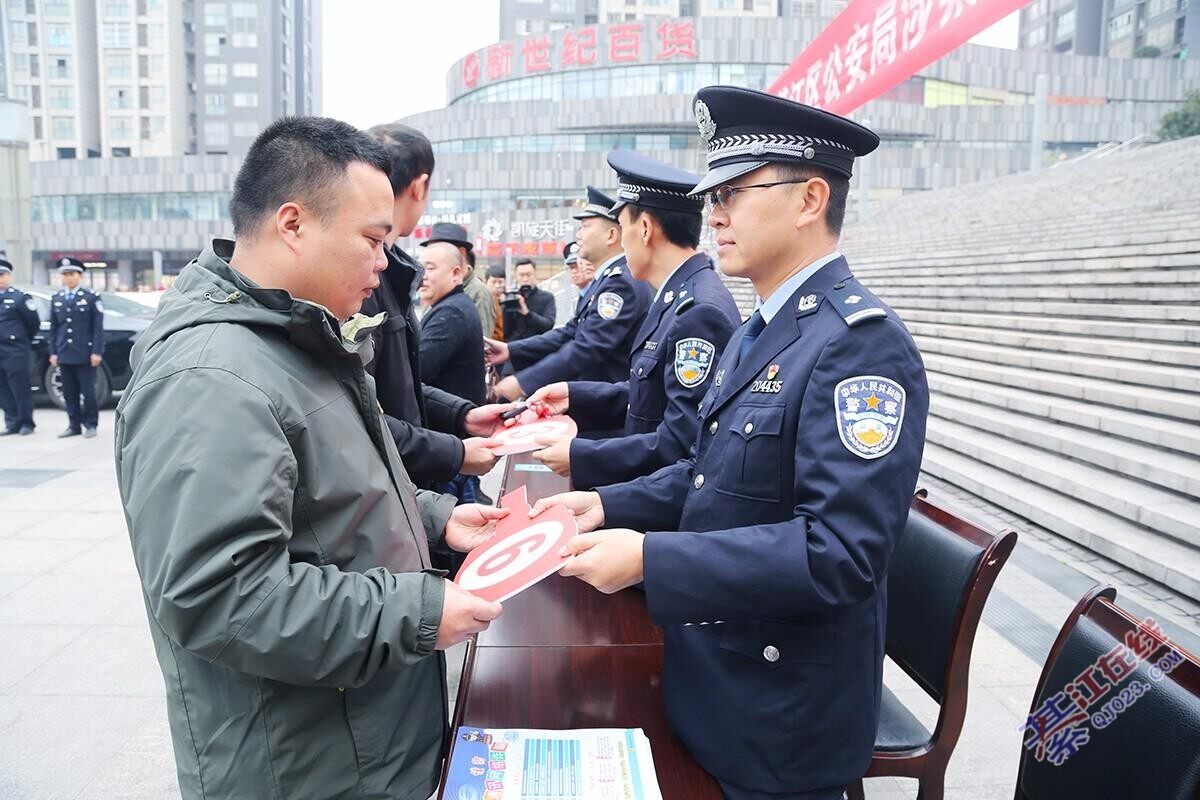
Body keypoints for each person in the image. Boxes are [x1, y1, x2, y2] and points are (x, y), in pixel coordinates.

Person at [535, 86, 930, 800]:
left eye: (736, 193)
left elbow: (837, 553)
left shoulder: (860, 346)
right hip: (715, 674)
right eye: (712, 194)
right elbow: (704, 471)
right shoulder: (761, 328)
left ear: (811, 199)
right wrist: (602, 502)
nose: (713, 212)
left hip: (776, 717)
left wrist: (652, 557)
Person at [114, 116, 505, 800]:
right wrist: (415, 609)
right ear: (293, 223)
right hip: (306, 766)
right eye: (373, 239)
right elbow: (223, 595)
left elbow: (333, 492)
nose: (385, 262)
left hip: (361, 736)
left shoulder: (291, 332)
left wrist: (437, 519)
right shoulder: (210, 375)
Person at [527, 151, 741, 489]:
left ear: (644, 229)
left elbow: (680, 442)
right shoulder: (678, 294)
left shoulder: (699, 310)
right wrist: (575, 395)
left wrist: (580, 455)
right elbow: (651, 395)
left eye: (622, 227)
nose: (621, 241)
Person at [359, 123, 506, 492]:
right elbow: (356, 410)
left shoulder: (393, 272)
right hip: (391, 483)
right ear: (419, 187)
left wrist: (463, 416)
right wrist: (454, 450)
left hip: (408, 478)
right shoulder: (364, 278)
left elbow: (401, 385)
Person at [485, 186, 651, 400]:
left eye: (585, 227)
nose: (578, 235)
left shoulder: (620, 284)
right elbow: (570, 332)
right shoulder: (607, 280)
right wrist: (510, 349)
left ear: (611, 235)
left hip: (607, 408)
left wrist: (522, 382)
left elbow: (588, 347)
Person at [418, 241, 486, 405]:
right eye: (420, 268)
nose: (422, 276)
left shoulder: (452, 313)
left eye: (430, 268)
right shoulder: (453, 304)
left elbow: (417, 370)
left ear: (456, 273)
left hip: (451, 423)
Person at [49, 257, 104, 438]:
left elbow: (97, 329)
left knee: (88, 392)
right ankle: (73, 425)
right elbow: (54, 329)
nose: (69, 278)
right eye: (65, 275)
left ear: (80, 276)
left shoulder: (91, 298)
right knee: (69, 393)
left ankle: (90, 424)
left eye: (72, 274)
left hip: (85, 353)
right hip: (64, 353)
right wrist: (53, 352)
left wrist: (96, 351)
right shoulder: (57, 298)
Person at [420, 222, 496, 336]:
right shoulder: (435, 288)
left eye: (440, 248)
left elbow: (483, 342)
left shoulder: (479, 292)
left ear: (461, 252)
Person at [0, 256, 39, 436]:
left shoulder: (19, 298)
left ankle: (26, 422)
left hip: (15, 350)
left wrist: (21, 342)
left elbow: (33, 323)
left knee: (20, 388)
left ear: (9, 276)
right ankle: (11, 421)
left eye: (2, 274)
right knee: (3, 389)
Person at [499, 258, 556, 342]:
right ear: (515, 276)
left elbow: (548, 325)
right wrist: (504, 306)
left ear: (535, 274)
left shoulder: (547, 297)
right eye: (521, 275)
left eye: (529, 275)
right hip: (514, 348)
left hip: (538, 347)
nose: (525, 279)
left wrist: (527, 313)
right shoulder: (511, 297)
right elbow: (504, 330)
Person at [484, 263, 506, 340]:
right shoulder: (484, 299)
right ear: (486, 282)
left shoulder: (508, 301)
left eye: (500, 282)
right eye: (493, 282)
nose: (497, 286)